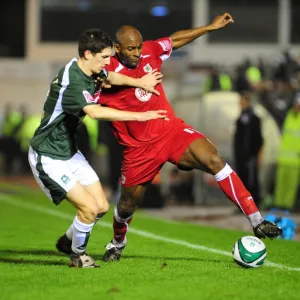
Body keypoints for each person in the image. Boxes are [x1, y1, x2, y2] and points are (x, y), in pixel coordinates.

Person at [56, 14, 283, 262]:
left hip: (170, 131)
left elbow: (174, 40)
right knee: (126, 207)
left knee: (215, 161)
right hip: (138, 150)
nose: (137, 52)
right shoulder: (104, 70)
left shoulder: (149, 52)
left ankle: (256, 220)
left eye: (139, 47)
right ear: (117, 49)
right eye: (130, 48)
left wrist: (210, 27)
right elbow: (98, 86)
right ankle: (117, 242)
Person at [28, 28, 168, 268]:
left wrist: (139, 81)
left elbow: (111, 77)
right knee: (89, 210)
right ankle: (77, 255)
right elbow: (95, 112)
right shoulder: (73, 82)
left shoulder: (90, 68)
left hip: (69, 152)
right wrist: (139, 116)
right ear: (86, 54)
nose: (108, 62)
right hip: (48, 155)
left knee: (102, 207)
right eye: (104, 57)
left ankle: (67, 241)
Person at [233, 92, 263, 208]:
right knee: (242, 181)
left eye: (242, 102)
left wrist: (256, 154)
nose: (240, 104)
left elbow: (258, 138)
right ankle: (244, 205)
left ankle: (254, 204)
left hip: (250, 155)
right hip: (241, 156)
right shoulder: (240, 119)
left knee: (252, 180)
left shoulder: (254, 119)